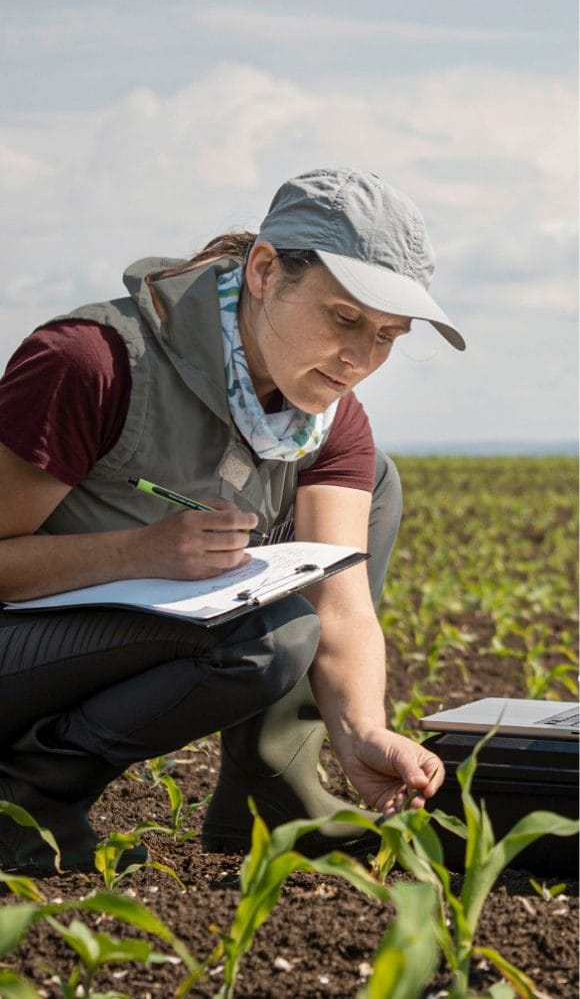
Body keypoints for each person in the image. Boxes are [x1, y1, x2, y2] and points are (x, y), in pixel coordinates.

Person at [0, 167, 465, 876]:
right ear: (264, 270)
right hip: (18, 648)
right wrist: (139, 552)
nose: (360, 359)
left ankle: (273, 792)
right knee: (269, 637)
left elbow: (339, 607)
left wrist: (362, 733)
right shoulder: (92, 361)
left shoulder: (330, 422)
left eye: (387, 336)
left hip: (100, 639)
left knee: (372, 483)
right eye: (344, 317)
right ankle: (25, 799)